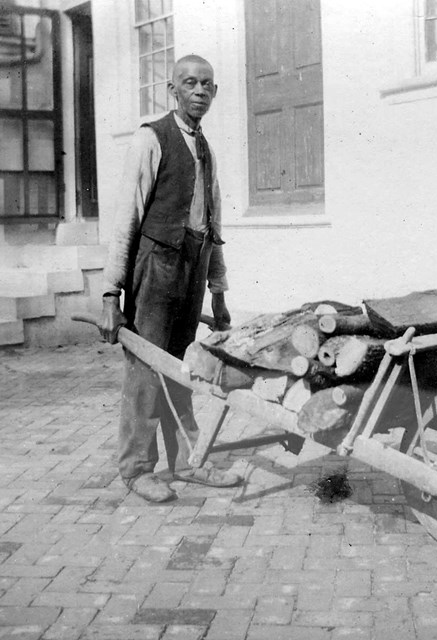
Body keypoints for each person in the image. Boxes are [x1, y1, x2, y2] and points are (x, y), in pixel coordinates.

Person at [99, 54, 241, 503]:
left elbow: (213, 227)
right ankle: (137, 469)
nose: (199, 91)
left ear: (214, 94)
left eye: (207, 85)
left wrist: (218, 294)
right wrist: (110, 294)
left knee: (183, 368)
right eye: (190, 83)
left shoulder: (206, 149)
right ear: (172, 89)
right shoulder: (151, 139)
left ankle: (186, 462)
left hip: (193, 268)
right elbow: (126, 218)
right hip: (156, 268)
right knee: (146, 370)